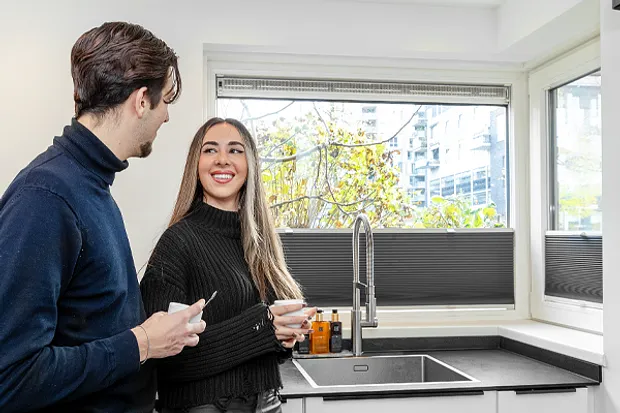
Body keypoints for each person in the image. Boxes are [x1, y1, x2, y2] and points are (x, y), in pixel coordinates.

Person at [0, 22, 207, 413]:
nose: (166, 117)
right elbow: (11, 377)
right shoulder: (45, 197)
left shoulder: (91, 186)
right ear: (142, 100)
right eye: (165, 102)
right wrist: (142, 343)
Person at [140, 117, 316, 413]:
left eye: (235, 150)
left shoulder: (261, 244)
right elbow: (166, 362)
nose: (223, 159)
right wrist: (263, 327)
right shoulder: (177, 244)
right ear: (196, 164)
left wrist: (284, 337)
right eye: (210, 150)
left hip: (267, 403)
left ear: (250, 165)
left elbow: (262, 343)